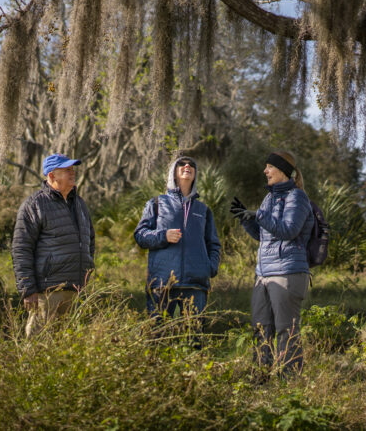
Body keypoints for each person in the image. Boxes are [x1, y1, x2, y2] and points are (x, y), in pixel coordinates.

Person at [230, 150, 314, 373]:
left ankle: (289, 381)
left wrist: (258, 215)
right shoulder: (269, 198)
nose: (265, 171)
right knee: (260, 328)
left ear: (283, 171)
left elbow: (289, 230)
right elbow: (263, 235)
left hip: (287, 272)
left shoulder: (297, 197)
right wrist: (246, 220)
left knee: (286, 329)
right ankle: (261, 377)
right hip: (264, 273)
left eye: (270, 166)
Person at [11, 153, 95, 337]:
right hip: (46, 292)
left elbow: (90, 242)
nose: (72, 174)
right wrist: (28, 290)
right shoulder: (34, 205)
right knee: (38, 346)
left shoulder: (80, 204)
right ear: (51, 176)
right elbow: (21, 249)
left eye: (72, 169)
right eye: (66, 171)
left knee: (69, 349)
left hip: (76, 290)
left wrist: (87, 275)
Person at [134, 156, 221, 320]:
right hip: (162, 282)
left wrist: (209, 268)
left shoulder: (203, 210)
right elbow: (140, 235)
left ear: (195, 175)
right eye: (181, 163)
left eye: (191, 164)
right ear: (173, 173)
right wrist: (163, 236)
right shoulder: (157, 203)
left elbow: (214, 244)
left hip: (196, 283)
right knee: (157, 334)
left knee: (193, 339)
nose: (187, 165)